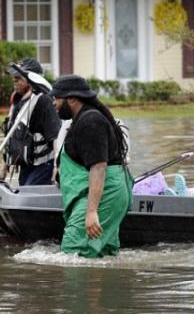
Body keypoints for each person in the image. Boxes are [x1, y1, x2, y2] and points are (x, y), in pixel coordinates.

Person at [50, 74, 132, 258]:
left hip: (105, 192)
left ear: (71, 99)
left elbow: (99, 167)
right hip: (104, 192)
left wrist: (92, 211)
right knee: (101, 255)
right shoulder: (81, 120)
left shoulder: (90, 121)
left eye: (56, 98)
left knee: (73, 252)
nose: (54, 103)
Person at [0, 58, 62, 186]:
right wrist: (4, 168)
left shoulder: (44, 102)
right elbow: (12, 139)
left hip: (44, 167)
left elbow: (55, 138)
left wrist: (56, 167)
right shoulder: (17, 101)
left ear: (33, 80)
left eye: (19, 77)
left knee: (29, 195)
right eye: (14, 76)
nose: (14, 79)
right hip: (27, 167)